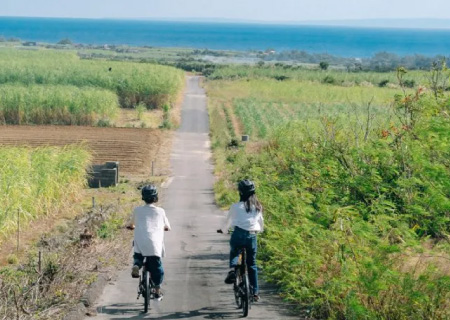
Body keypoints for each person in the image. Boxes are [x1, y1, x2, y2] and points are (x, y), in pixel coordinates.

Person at [218, 179, 264, 301]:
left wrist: (224, 230)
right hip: (252, 236)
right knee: (252, 264)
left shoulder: (235, 207)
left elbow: (228, 222)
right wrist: (259, 230)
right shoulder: (258, 207)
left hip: (238, 234)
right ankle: (255, 292)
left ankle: (234, 269)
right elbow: (261, 223)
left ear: (240, 192)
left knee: (235, 250)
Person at [127, 184, 171, 300]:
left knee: (138, 253)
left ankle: (137, 265)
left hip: (140, 241)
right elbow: (167, 226)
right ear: (156, 197)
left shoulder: (137, 210)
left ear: (143, 197)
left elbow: (131, 224)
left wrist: (131, 226)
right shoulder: (160, 211)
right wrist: (164, 228)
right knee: (157, 268)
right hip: (154, 245)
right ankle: (157, 291)